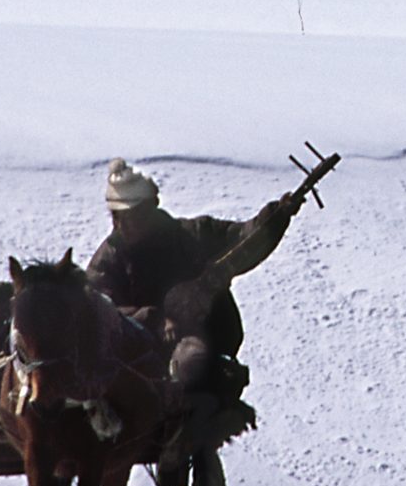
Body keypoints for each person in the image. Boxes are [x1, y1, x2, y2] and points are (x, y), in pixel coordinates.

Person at [86, 158, 301, 377]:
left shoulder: (191, 235)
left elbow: (240, 239)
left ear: (151, 206)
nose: (123, 224)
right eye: (118, 216)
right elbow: (97, 307)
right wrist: (153, 319)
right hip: (135, 359)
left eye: (132, 216)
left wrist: (276, 216)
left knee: (192, 362)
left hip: (201, 346)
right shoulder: (109, 259)